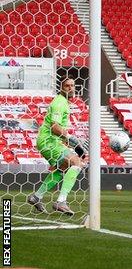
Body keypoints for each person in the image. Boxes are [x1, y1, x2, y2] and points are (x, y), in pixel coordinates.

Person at [27, 75, 87, 216]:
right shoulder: (60, 103)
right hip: (48, 141)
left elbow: (59, 130)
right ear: (61, 88)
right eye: (67, 86)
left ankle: (36, 197)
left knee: (62, 169)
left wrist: (72, 144)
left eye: (73, 86)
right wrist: (73, 140)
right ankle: (61, 202)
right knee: (77, 163)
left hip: (51, 141)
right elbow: (55, 127)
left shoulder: (64, 103)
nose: (71, 88)